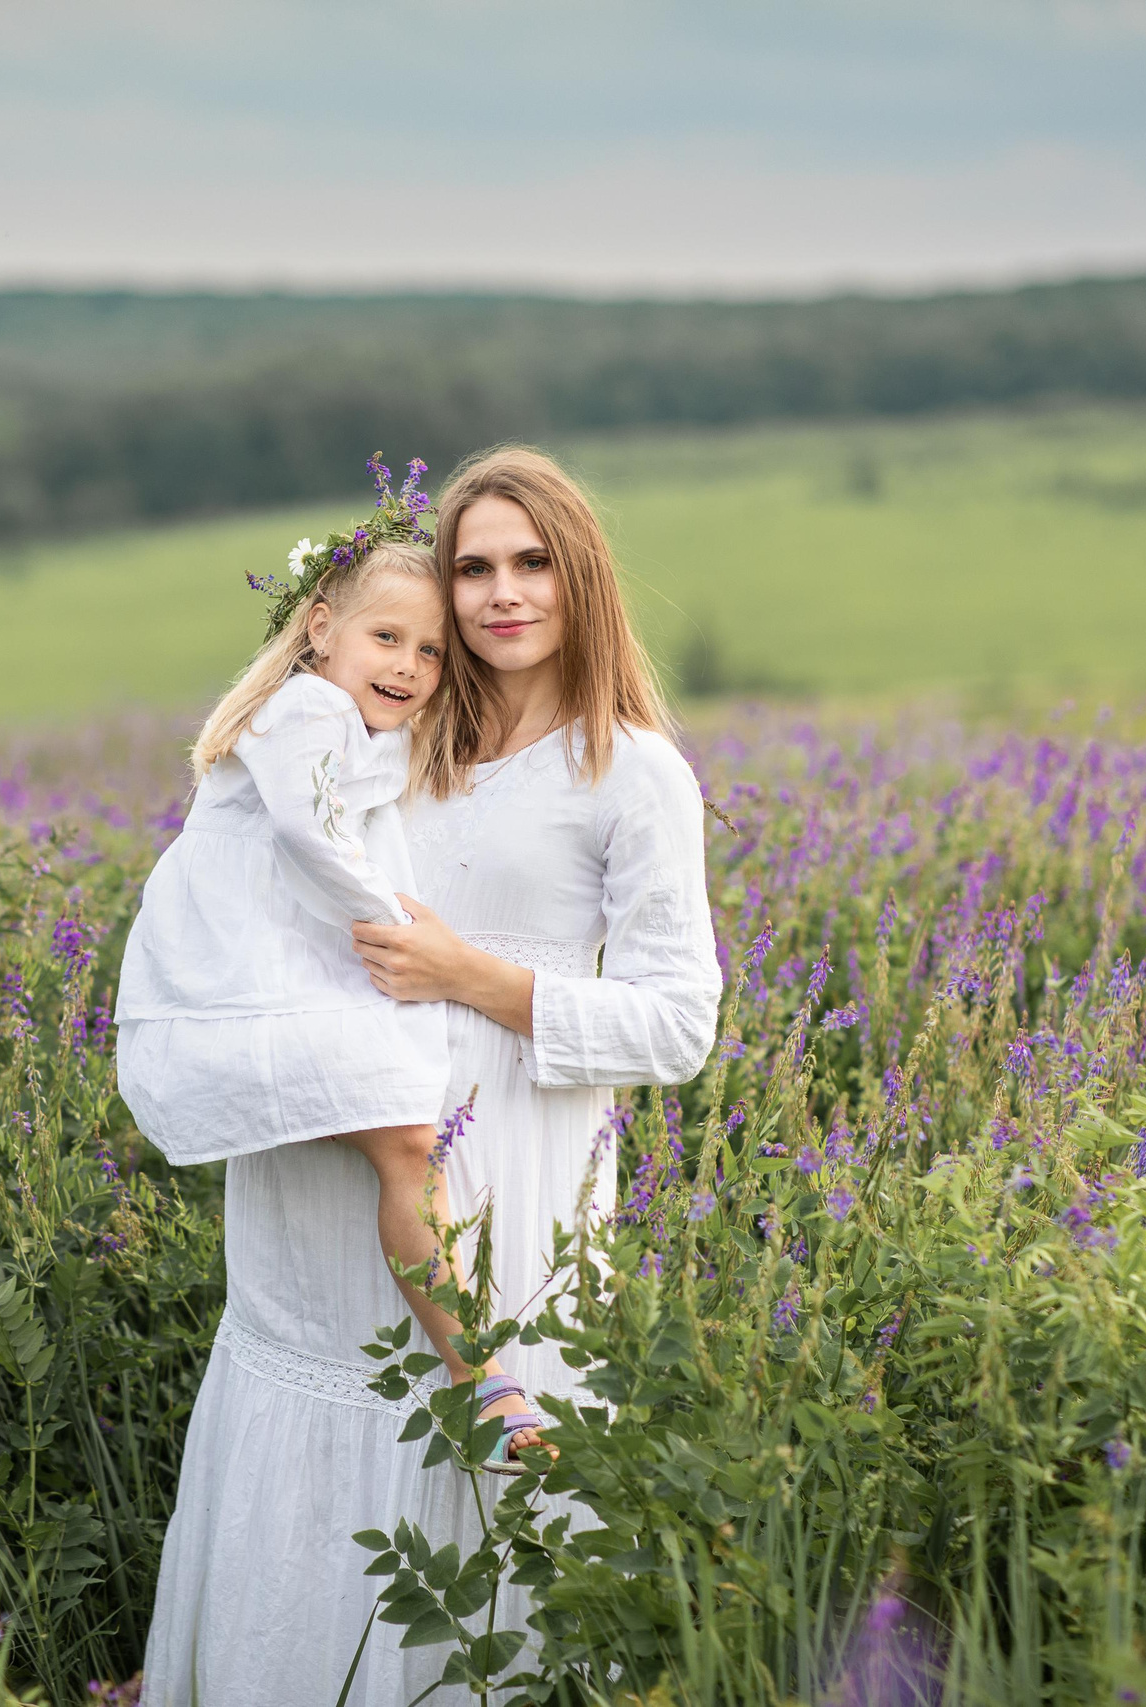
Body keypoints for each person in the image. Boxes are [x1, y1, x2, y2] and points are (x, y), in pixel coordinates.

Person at [142, 445, 720, 1705]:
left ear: (581, 577)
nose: (502, 593)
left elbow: (679, 1027)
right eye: (473, 568)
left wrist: (475, 979)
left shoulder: (629, 771)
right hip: (334, 1144)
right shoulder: (393, 733)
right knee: (317, 1417)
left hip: (506, 1165)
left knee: (483, 1448)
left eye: (531, 563)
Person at [117, 457, 553, 1468]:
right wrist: (395, 923)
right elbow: (317, 838)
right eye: (386, 638)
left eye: (433, 653)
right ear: (319, 630)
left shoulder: (350, 723)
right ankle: (481, 1375)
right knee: (408, 1152)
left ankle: (479, 1372)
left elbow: (395, 770)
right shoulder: (306, 711)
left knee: (408, 1150)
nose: (408, 665)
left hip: (267, 988)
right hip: (249, 996)